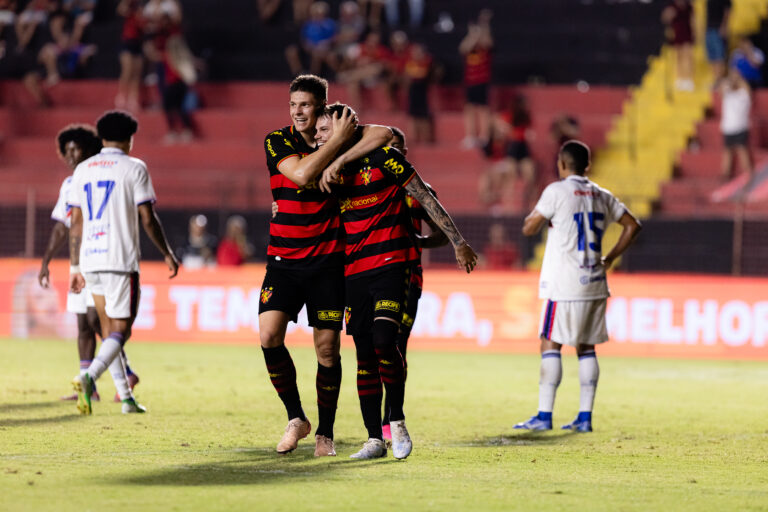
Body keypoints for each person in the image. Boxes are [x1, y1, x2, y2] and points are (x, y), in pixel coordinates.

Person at [317, 103, 478, 460]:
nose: (319, 137)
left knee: (385, 340)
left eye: (325, 130)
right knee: (363, 355)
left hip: (392, 265)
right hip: (353, 271)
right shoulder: (325, 171)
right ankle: (374, 439)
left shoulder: (387, 159)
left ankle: (398, 420)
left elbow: (425, 197)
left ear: (344, 129)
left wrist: (458, 242)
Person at [260, 74, 392, 457]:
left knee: (328, 350)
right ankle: (296, 418)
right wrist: (336, 143)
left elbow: (387, 134)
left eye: (304, 105)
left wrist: (342, 146)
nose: (297, 112)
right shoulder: (278, 140)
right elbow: (301, 174)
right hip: (284, 260)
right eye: (293, 105)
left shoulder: (334, 136)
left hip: (328, 263)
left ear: (320, 106)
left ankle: (325, 434)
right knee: (269, 336)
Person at [514, 141, 641, 433]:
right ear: (588, 165)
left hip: (564, 283)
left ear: (561, 164)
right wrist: (610, 258)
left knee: (550, 342)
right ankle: (585, 418)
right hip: (595, 281)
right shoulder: (601, 194)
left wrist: (540, 219)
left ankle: (544, 416)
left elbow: (529, 227)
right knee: (586, 347)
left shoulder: (556, 191)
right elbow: (633, 225)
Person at [68, 110, 179, 415]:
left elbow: (75, 222)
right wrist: (167, 253)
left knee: (108, 331)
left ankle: (126, 398)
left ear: (101, 137)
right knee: (121, 330)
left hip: (90, 259)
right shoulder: (134, 167)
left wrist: (75, 267)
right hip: (119, 259)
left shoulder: (84, 169)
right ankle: (88, 377)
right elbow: (147, 217)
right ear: (130, 139)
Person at [39, 124, 140, 403]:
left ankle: (119, 376)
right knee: (84, 323)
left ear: (90, 148)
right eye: (67, 150)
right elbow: (63, 225)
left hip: (102, 258)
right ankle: (91, 387)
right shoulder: (70, 183)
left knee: (99, 320)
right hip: (80, 262)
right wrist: (47, 259)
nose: (71, 155)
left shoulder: (105, 175)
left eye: (76, 148)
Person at [381, 126, 448, 442]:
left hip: (408, 276)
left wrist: (416, 241)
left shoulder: (420, 190)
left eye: (399, 148)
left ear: (405, 154)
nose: (394, 152)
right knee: (372, 347)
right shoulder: (365, 186)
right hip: (372, 275)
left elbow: (440, 232)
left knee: (397, 345)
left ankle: (390, 419)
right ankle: (378, 421)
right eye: (389, 146)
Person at [459, 9, 493, 149]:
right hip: (470, 82)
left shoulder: (485, 49)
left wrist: (484, 25)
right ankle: (471, 136)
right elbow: (463, 47)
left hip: (482, 82)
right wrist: (472, 35)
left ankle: (485, 136)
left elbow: (488, 41)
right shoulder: (470, 49)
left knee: (483, 109)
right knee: (470, 108)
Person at [720, 67, 752, 179]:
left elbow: (745, 86)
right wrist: (731, 79)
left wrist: (738, 78)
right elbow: (722, 86)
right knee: (727, 152)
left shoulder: (744, 93)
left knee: (742, 150)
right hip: (728, 127)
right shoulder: (727, 93)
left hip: (741, 127)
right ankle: (725, 175)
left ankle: (748, 174)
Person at [116, 0, 145, 111]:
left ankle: (133, 98)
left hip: (138, 42)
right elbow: (120, 10)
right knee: (127, 70)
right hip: (127, 42)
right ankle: (121, 95)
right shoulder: (129, 7)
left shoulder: (141, 9)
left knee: (137, 73)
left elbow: (144, 24)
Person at [662, 0, 695, 91]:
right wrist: (669, 14)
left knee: (688, 57)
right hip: (677, 34)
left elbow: (693, 20)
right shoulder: (672, 6)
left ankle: (689, 79)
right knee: (678, 57)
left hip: (687, 33)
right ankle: (680, 79)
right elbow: (665, 18)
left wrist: (695, 33)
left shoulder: (688, 6)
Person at [705, 0, 731, 84]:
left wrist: (724, 26)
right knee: (712, 56)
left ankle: (720, 80)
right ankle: (715, 78)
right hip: (709, 29)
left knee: (719, 55)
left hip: (718, 29)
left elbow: (727, 11)